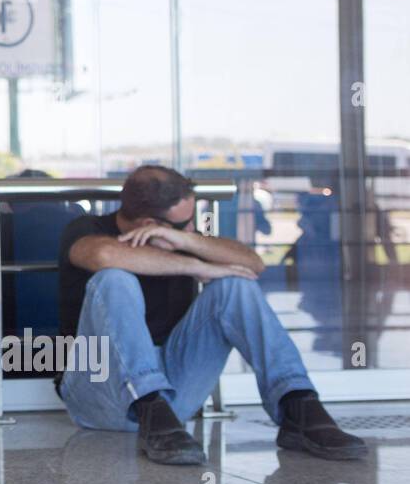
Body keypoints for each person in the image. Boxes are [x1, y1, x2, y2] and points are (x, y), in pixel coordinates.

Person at [57, 164, 366, 465]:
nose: (192, 227)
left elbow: (253, 264)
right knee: (114, 279)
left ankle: (297, 405)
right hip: (98, 395)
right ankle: (148, 403)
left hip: (173, 402)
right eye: (184, 224)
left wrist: (186, 240)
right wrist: (197, 266)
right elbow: (104, 255)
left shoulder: (180, 238)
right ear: (147, 223)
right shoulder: (88, 230)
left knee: (234, 284)